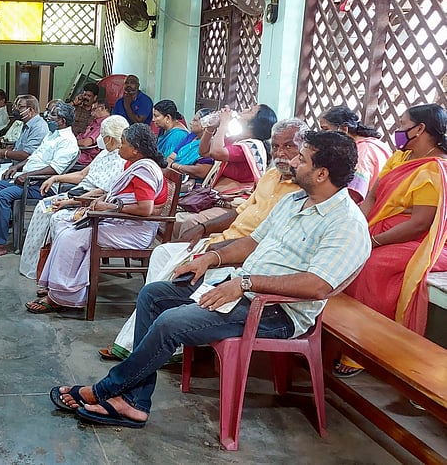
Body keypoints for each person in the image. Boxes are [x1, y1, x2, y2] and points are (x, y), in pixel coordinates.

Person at [50, 130, 370, 429]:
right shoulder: (293, 201)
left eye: (302, 158)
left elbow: (317, 285)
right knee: (154, 295)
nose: (294, 161)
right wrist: (211, 259)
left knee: (170, 323)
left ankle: (106, 390)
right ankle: (134, 401)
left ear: (321, 174)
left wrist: (245, 284)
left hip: (276, 312)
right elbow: (253, 242)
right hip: (241, 289)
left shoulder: (346, 223)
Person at [102, 119, 307, 360]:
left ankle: (140, 347)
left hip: (241, 255)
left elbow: (267, 243)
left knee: (171, 274)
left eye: (289, 147)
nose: (281, 154)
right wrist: (204, 227)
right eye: (277, 146)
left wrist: (218, 252)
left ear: (304, 150)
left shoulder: (303, 192)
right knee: (162, 253)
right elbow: (240, 212)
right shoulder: (271, 176)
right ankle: (154, 344)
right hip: (224, 241)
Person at [336, 104, 447, 377]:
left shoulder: (435, 169)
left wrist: (373, 241)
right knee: (341, 251)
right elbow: (372, 196)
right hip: (378, 228)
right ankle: (337, 334)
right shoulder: (401, 157)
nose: (398, 130)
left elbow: (419, 224)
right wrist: (356, 226)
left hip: (419, 240)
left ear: (419, 129)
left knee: (370, 267)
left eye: (402, 124)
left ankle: (364, 347)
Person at [27, 123, 167, 313]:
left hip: (136, 229)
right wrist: (100, 201)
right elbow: (115, 193)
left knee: (71, 237)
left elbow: (145, 209)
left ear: (135, 149)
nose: (120, 146)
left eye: (123, 143)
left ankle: (60, 297)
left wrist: (110, 207)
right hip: (125, 222)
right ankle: (62, 287)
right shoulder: (132, 164)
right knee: (64, 226)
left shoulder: (144, 170)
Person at [18, 114, 128, 279]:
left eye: (103, 136)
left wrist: (69, 201)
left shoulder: (121, 160)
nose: (100, 139)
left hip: (88, 201)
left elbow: (102, 192)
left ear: (110, 139)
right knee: (43, 206)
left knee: (51, 212)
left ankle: (50, 269)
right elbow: (83, 174)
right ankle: (36, 264)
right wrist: (56, 178)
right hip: (79, 193)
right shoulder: (104, 153)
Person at [0, 102, 80, 256]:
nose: (47, 116)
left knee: (3, 196)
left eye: (52, 115)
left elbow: (55, 169)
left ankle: (0, 244)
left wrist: (27, 175)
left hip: (42, 185)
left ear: (62, 121)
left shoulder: (67, 141)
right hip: (28, 178)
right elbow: (35, 156)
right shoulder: (52, 134)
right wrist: (17, 167)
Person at [173, 104, 276, 238]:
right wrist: (210, 128)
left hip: (232, 204)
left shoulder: (252, 146)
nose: (244, 109)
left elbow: (216, 152)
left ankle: (185, 250)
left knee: (191, 222)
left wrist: (224, 123)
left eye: (250, 110)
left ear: (255, 124)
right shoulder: (236, 140)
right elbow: (204, 151)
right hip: (215, 198)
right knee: (174, 214)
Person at [318, 105, 392, 203]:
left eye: (325, 129)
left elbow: (354, 195)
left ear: (344, 129)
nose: (322, 134)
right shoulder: (375, 143)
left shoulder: (363, 152)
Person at [0, 94, 50, 187]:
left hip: (27, 168)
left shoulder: (38, 127)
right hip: (17, 164)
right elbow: (23, 145)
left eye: (20, 107)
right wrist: (12, 147)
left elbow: (27, 154)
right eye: (15, 106)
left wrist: (4, 153)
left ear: (30, 110)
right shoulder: (26, 124)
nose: (16, 110)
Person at [168, 108, 212, 173]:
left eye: (195, 120)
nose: (191, 123)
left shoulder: (210, 144)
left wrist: (176, 166)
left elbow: (201, 172)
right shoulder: (191, 136)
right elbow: (171, 157)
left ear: (205, 125)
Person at [74, 101, 110, 167]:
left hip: (86, 156)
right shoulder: (95, 121)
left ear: (102, 108)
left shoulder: (105, 124)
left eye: (94, 109)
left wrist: (72, 142)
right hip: (79, 150)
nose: (92, 112)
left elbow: (86, 143)